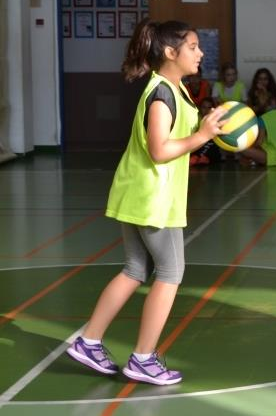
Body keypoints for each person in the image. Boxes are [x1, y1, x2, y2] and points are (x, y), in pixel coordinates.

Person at [66, 20, 227, 385]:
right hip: (153, 198)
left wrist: (205, 128)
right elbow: (159, 150)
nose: (200, 53)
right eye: (193, 47)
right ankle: (143, 357)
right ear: (171, 53)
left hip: (139, 193)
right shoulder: (161, 95)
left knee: (135, 270)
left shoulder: (172, 88)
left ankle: (89, 341)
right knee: (170, 273)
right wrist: (201, 135)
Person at [190, 97, 222, 165]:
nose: (206, 110)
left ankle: (201, 157)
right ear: (200, 108)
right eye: (204, 107)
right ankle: (197, 157)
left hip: (212, 149)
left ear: (213, 109)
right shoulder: (195, 119)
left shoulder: (217, 120)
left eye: (209, 107)